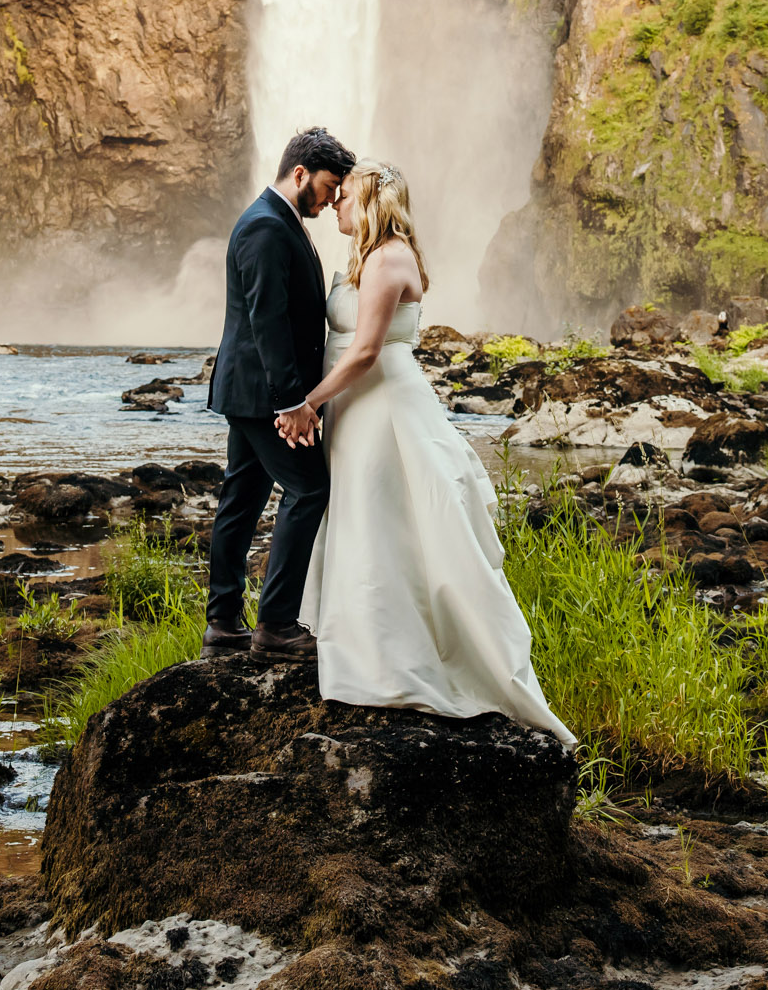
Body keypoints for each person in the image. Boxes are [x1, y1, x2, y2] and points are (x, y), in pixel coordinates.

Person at [287, 158, 572, 743]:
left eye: (345, 195)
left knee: (387, 525)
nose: (335, 202)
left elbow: (365, 351)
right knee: (364, 524)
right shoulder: (364, 257)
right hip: (357, 408)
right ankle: (364, 653)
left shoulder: (390, 256)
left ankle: (400, 666)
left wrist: (307, 404)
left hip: (383, 406)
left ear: (370, 202)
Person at [203, 126, 355, 662]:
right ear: (300, 174)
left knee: (241, 500)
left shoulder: (276, 219)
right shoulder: (267, 226)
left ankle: (223, 625)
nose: (334, 197)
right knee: (310, 490)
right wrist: (294, 403)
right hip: (264, 394)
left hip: (250, 390)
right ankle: (276, 626)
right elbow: (267, 322)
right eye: (329, 185)